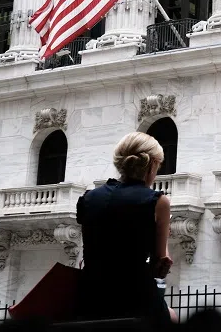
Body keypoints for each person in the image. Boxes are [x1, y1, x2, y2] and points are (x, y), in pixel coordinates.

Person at [75, 132, 176, 326]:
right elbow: (159, 266)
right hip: (135, 297)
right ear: (153, 163)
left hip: (90, 298)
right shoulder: (157, 201)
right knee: (172, 316)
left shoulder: (88, 198)